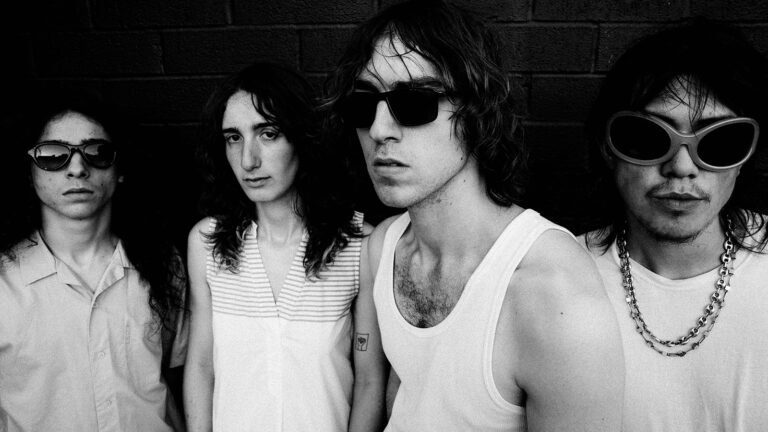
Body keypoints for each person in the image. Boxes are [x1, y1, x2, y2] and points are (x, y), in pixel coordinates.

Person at [323, 1, 625, 430]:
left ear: (477, 112)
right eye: (363, 103)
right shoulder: (383, 248)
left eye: (415, 102)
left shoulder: (553, 293)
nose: (378, 129)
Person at [582, 19, 768, 431]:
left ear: (746, 157)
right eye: (648, 137)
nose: (682, 167)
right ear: (608, 148)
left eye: (719, 141)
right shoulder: (558, 276)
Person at [184, 62, 387, 432]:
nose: (248, 160)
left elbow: (370, 380)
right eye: (233, 138)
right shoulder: (206, 243)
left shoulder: (359, 245)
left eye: (268, 133)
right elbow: (200, 365)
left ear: (302, 137)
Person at [0, 89, 187, 431]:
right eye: (53, 154)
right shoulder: (4, 282)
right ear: (30, 172)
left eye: (97, 152)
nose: (77, 168)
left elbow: (182, 378)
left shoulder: (164, 264)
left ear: (120, 169)